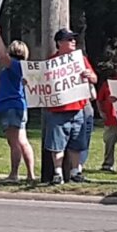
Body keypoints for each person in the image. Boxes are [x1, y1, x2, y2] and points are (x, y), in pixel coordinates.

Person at [43, 28, 98, 185]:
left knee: (77, 143)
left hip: (78, 108)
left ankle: (75, 171)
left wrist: (90, 75)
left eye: (74, 39)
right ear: (60, 43)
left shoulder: (80, 60)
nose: (73, 41)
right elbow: (41, 83)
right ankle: (58, 173)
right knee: (57, 143)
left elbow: (94, 78)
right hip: (58, 110)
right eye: (69, 39)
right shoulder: (51, 62)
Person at [0, 29, 36, 183]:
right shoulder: (21, 67)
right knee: (22, 140)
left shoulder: (14, 65)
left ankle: (14, 174)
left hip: (11, 105)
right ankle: (30, 174)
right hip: (18, 106)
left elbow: (3, 55)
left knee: (14, 142)